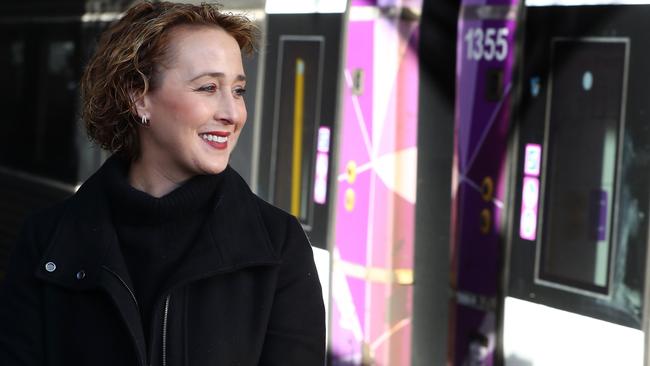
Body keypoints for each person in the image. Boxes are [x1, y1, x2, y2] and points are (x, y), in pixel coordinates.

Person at [0, 2, 325, 365]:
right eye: (207, 87)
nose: (232, 114)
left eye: (238, 90)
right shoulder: (45, 242)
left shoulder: (279, 247)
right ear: (138, 96)